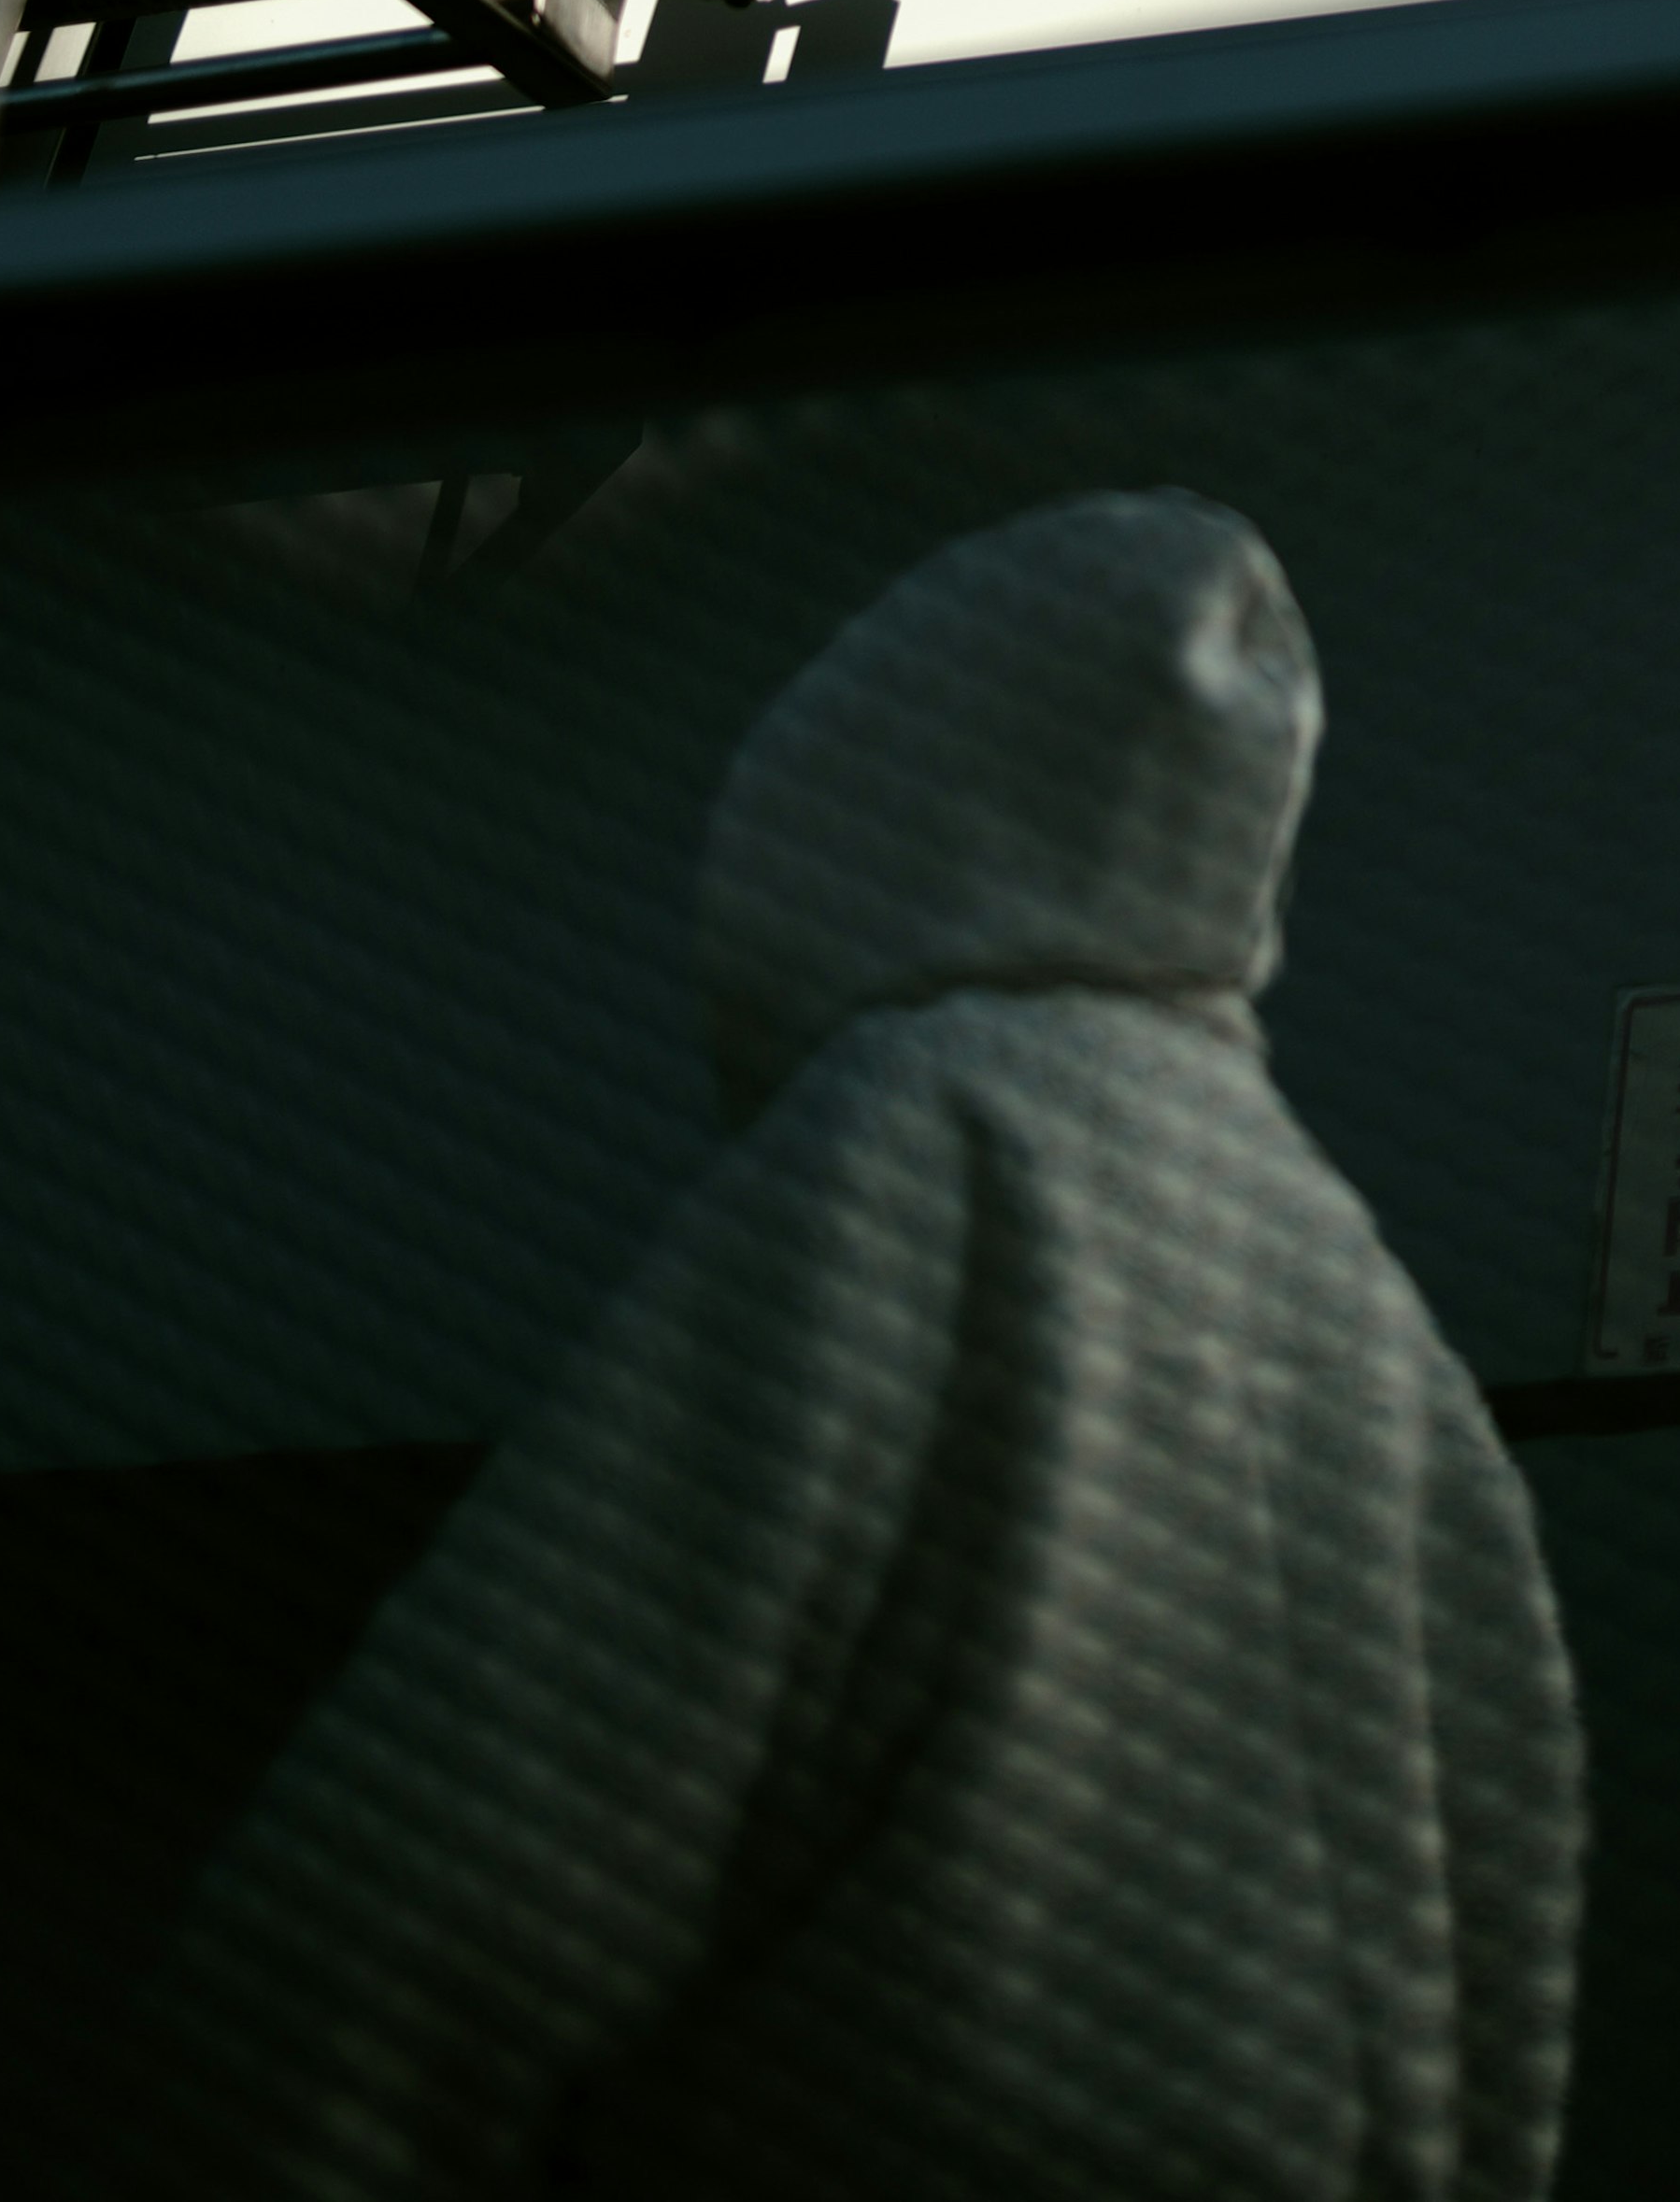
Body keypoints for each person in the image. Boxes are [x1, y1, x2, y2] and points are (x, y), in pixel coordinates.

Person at [149, 490, 1585, 2201]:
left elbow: (494, 1811)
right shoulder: (1352, 1286)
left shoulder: (924, 1149)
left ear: (885, 795)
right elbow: (1511, 1881)